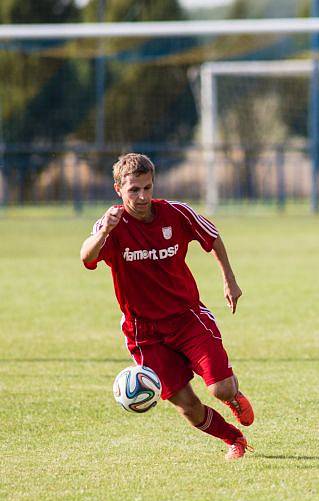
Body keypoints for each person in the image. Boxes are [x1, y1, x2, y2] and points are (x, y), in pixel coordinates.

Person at [80, 153, 255, 461]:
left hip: (187, 319)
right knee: (187, 406)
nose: (143, 196)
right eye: (134, 190)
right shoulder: (111, 224)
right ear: (118, 189)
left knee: (221, 390)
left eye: (148, 187)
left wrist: (230, 280)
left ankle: (234, 396)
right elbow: (87, 257)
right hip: (144, 333)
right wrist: (104, 232)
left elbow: (212, 237)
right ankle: (234, 439)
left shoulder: (176, 214)